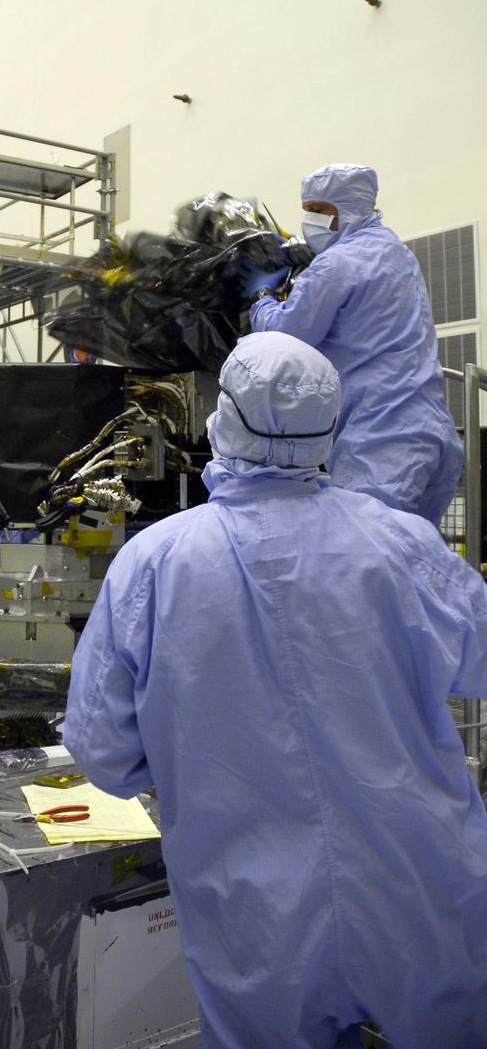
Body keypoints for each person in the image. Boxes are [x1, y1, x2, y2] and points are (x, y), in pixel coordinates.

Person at [64, 331, 487, 1049]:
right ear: (331, 426)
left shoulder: (154, 562)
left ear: (221, 420)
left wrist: (182, 762)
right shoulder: (404, 543)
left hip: (254, 909)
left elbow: (104, 754)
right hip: (419, 883)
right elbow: (476, 664)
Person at [240, 163, 462, 525]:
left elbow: (286, 334)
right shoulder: (395, 252)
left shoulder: (337, 263)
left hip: (380, 442)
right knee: (417, 553)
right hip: (432, 431)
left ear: (350, 207)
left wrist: (261, 297)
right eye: (306, 209)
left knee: (369, 549)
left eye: (319, 209)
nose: (309, 219)